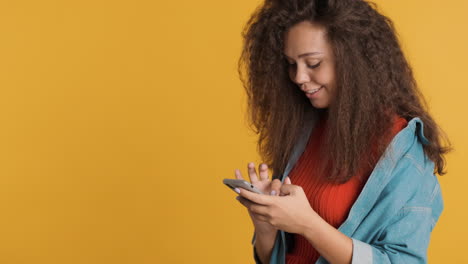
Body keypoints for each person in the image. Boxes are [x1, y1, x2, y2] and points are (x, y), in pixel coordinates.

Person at [231, 0, 451, 263]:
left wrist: (308, 224)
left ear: (353, 61)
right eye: (291, 64)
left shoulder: (403, 152)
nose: (298, 77)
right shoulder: (306, 129)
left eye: (312, 63)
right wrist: (266, 224)